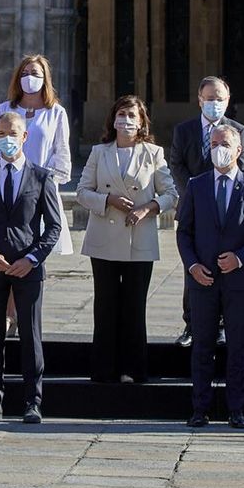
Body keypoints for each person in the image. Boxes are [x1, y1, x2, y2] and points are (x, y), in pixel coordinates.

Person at [0, 111, 63, 425]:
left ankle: (32, 402)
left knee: (30, 336)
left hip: (27, 267)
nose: (7, 139)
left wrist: (32, 259)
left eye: (13, 133)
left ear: (25, 137)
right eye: (1, 133)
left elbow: (53, 227)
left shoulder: (42, 177)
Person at [176, 124, 244, 430]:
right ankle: (200, 408)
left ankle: (237, 408)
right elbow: (184, 232)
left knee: (237, 346)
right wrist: (192, 266)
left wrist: (241, 257)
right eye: (215, 143)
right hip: (202, 279)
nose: (220, 148)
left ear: (238, 149)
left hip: (239, 282)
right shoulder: (197, 185)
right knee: (202, 344)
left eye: (225, 143)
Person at [76, 95, 176, 385]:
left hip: (139, 239)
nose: (127, 120)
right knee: (105, 305)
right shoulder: (99, 152)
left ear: (142, 121)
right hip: (104, 238)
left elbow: (171, 194)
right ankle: (103, 370)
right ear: (113, 118)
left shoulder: (153, 153)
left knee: (134, 307)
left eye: (133, 115)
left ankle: (134, 369)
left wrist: (148, 208)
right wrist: (107, 199)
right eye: (122, 114)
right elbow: (82, 191)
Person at [0, 54, 75, 334]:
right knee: (8, 249)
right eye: (25, 72)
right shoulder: (5, 108)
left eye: (35, 72)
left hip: (40, 192)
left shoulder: (55, 112)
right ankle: (9, 313)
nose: (29, 77)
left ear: (45, 77)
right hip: (7, 189)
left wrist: (42, 184)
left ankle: (23, 312)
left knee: (32, 253)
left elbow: (62, 157)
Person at [169, 75, 244, 348]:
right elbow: (176, 165)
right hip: (194, 209)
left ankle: (222, 327)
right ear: (200, 100)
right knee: (193, 268)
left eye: (220, 99)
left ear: (227, 102)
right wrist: (194, 193)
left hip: (227, 211)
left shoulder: (239, 130)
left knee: (226, 269)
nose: (214, 103)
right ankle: (191, 325)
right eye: (210, 98)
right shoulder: (185, 130)